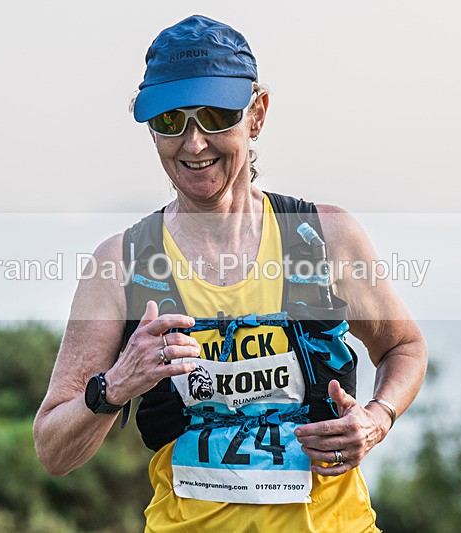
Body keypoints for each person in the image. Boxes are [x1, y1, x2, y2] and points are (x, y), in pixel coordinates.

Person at [34, 14, 427, 532]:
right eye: (170, 122)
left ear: (256, 115)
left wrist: (376, 420)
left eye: (216, 116)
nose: (194, 144)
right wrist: (117, 384)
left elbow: (405, 348)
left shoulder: (323, 237)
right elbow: (53, 450)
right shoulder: (120, 265)